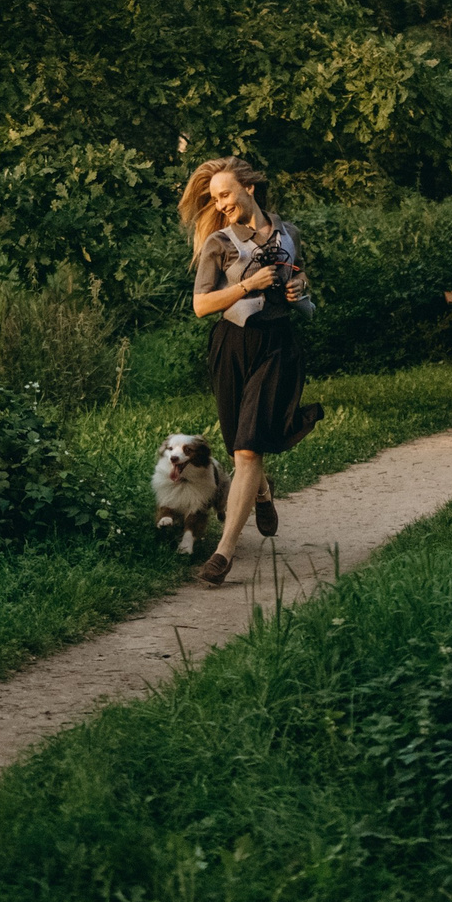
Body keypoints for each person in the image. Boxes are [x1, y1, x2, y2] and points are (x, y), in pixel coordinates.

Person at [180, 157, 323, 585]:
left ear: (249, 188)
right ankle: (260, 490)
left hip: (278, 345)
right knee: (237, 443)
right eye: (214, 198)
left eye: (225, 194)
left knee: (247, 449)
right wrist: (246, 286)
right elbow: (201, 306)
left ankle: (222, 555)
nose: (220, 203)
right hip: (232, 345)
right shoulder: (219, 243)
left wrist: (300, 292)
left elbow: (302, 296)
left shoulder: (289, 234)